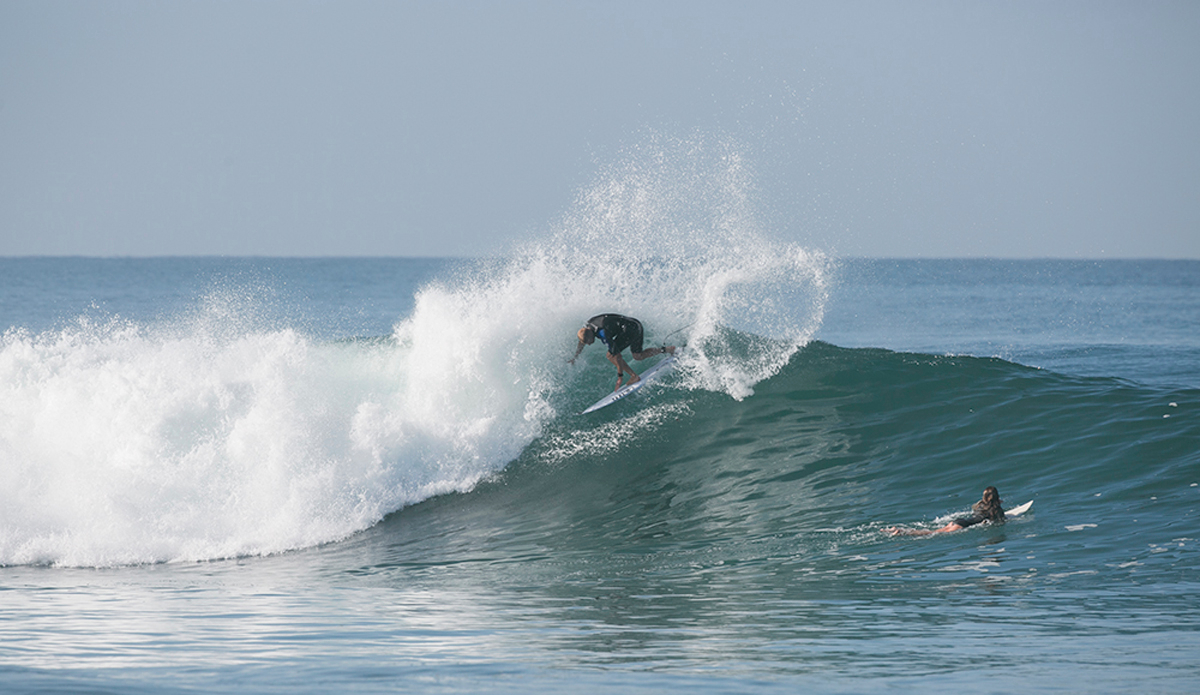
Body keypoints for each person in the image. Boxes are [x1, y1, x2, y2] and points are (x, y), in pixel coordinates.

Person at [569, 313, 676, 391]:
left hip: (631, 330)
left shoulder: (603, 334)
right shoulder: (587, 327)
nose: (588, 344)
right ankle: (667, 350)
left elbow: (617, 356)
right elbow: (582, 341)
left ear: (591, 336)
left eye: (589, 342)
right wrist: (575, 357)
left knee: (610, 355)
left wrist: (620, 376)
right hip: (635, 323)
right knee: (638, 356)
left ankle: (634, 376)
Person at [883, 486, 1007, 536]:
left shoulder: (980, 505)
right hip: (962, 526)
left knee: (931, 531)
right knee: (930, 534)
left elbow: (979, 508)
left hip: (959, 521)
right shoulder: (995, 510)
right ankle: (902, 532)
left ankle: (900, 530)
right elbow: (1001, 521)